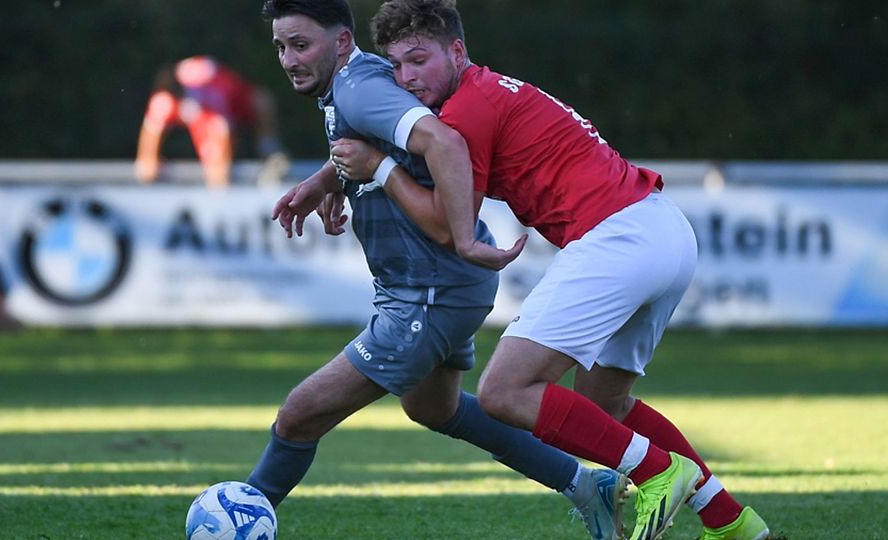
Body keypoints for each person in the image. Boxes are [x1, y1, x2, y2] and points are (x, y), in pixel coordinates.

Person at [327, 1, 770, 539]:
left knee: (504, 392)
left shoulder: (463, 114)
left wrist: (378, 170)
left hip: (618, 236)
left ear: (457, 51)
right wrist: (326, 182)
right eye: (396, 66)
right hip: (664, 229)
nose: (407, 77)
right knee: (606, 404)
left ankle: (657, 471)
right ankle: (732, 523)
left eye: (419, 59)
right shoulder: (488, 91)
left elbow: (446, 225)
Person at [251, 1, 630, 538]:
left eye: (300, 45)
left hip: (429, 289)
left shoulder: (361, 86)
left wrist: (461, 238)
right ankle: (588, 487)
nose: (289, 59)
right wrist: (325, 182)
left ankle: (242, 518)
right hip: (433, 285)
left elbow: (442, 141)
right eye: (281, 47)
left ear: (340, 44)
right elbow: (377, 144)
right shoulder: (355, 84)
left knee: (298, 416)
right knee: (434, 408)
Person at [135, 55, 290, 188]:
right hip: (213, 108)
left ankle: (269, 150)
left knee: (262, 101)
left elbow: (221, 129)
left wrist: (218, 169)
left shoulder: (209, 94)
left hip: (234, 103)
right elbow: (151, 130)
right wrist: (148, 158)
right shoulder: (165, 101)